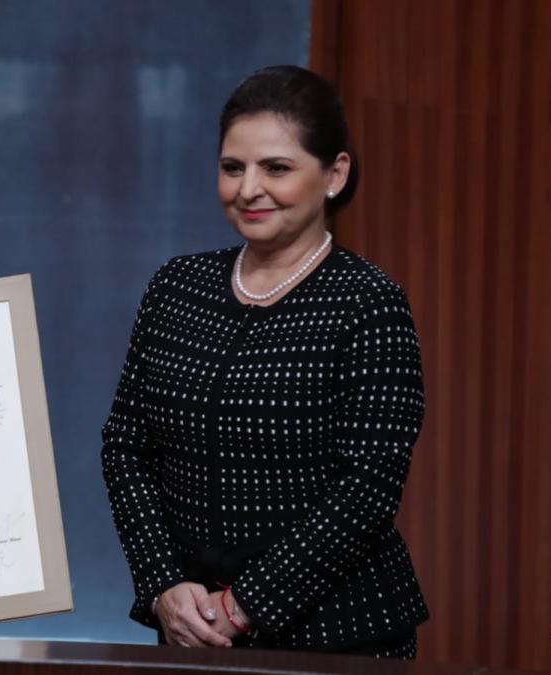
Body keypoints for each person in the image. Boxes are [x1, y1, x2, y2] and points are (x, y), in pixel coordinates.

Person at [101, 65, 428, 658]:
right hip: (190, 634)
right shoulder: (177, 288)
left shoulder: (369, 303)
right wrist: (163, 587)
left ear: (335, 173)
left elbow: (369, 487)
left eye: (276, 168)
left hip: (339, 640)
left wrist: (244, 604)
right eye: (232, 168)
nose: (248, 188)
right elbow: (126, 448)